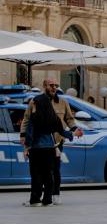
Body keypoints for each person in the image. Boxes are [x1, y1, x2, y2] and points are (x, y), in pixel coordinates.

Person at [22, 79, 77, 207]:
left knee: (51, 171)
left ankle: (49, 196)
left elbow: (69, 119)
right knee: (45, 173)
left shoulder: (62, 102)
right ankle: (45, 199)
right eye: (51, 85)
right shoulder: (37, 104)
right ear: (45, 86)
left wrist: (74, 129)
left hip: (53, 144)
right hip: (46, 145)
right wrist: (23, 136)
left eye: (56, 86)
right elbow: (27, 120)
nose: (54, 88)